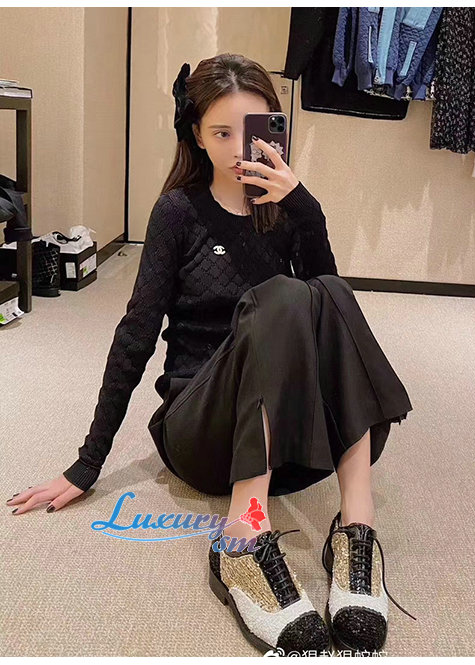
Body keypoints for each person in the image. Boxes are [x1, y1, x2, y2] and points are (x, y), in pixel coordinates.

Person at [6, 54, 415, 655]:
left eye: (250, 130)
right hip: (202, 432)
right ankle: (243, 539)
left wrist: (305, 208)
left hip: (285, 445)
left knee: (327, 292)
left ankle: (356, 525)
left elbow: (331, 323)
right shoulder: (178, 212)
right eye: (220, 132)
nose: (236, 147)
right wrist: (86, 465)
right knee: (282, 296)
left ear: (274, 129)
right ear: (196, 134)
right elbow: (136, 333)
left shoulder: (287, 210)